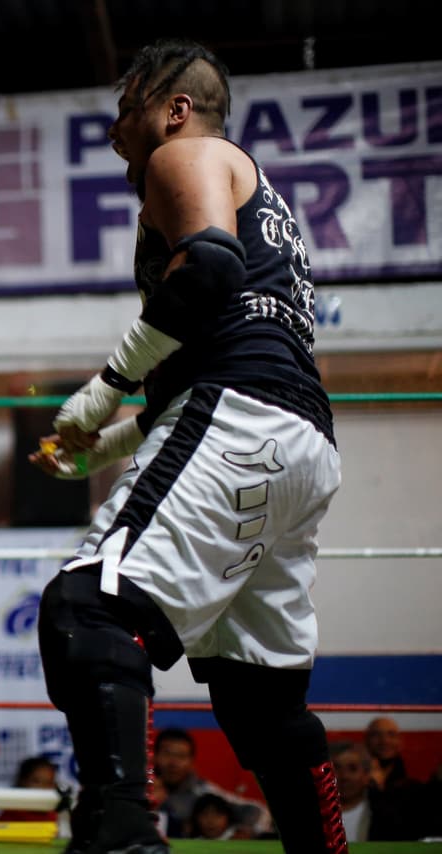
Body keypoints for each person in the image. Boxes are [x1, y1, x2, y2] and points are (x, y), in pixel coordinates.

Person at [31, 38, 344, 854]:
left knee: (88, 607)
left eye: (126, 108)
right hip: (296, 440)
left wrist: (105, 386)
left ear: (175, 109)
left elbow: (207, 269)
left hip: (241, 416)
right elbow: (216, 357)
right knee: (261, 703)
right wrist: (102, 447)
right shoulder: (259, 199)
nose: (113, 130)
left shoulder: (188, 154)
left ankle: (124, 837)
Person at [151, 727, 265, 839]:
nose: (173, 763)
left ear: (191, 762)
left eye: (181, 756)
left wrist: (243, 831)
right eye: (167, 754)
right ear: (154, 756)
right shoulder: (143, 788)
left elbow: (259, 811)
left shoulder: (202, 790)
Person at [330, 740, 415, 842]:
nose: (344, 776)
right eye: (336, 768)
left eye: (352, 769)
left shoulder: (387, 815)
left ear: (366, 775)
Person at [0, 756, 62, 824]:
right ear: (23, 782)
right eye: (37, 781)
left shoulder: (59, 815)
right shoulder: (11, 814)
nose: (43, 787)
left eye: (49, 782)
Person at [364, 717, 417, 792]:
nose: (385, 741)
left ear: (400, 741)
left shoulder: (412, 786)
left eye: (391, 735)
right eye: (376, 734)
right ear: (366, 740)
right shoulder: (354, 780)